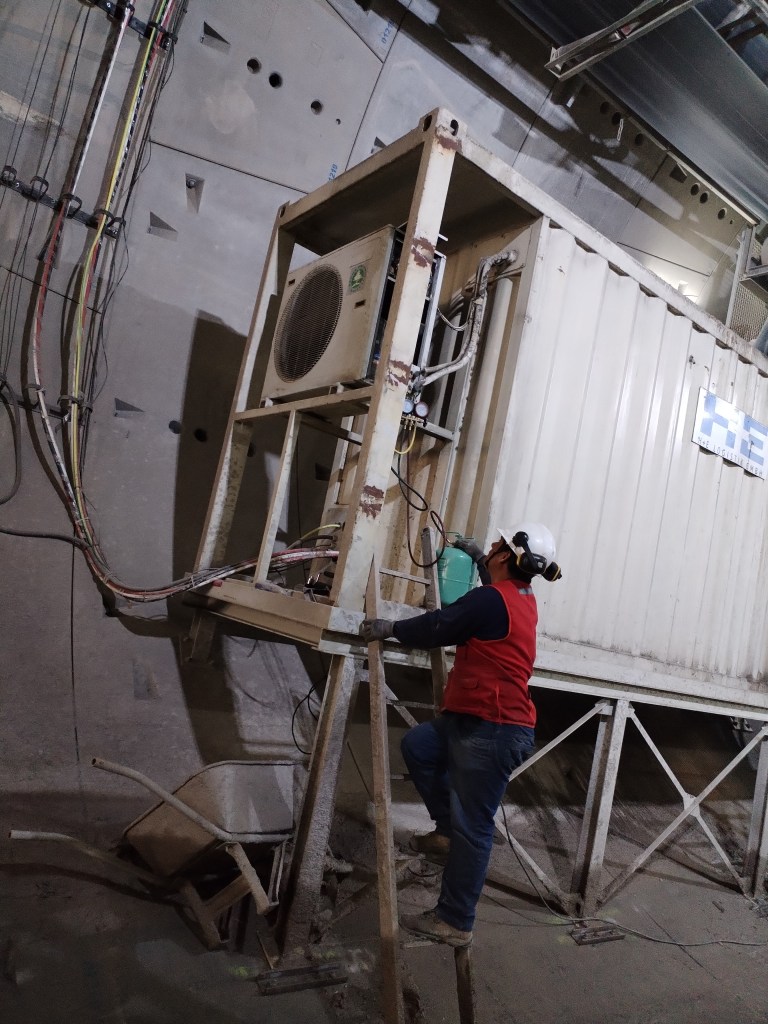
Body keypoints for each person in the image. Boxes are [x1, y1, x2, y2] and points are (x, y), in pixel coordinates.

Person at [359, 523, 562, 947]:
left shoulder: (492, 600)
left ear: (506, 555)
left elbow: (441, 626)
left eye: (493, 545)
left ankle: (455, 920)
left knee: (476, 826)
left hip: (495, 728)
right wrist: (473, 557)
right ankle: (446, 832)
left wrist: (389, 628)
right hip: (476, 718)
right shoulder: (521, 597)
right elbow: (490, 595)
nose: (488, 547)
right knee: (419, 746)